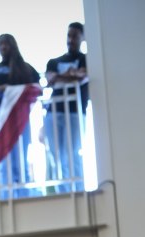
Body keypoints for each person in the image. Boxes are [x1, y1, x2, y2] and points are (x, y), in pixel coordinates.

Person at [0, 34, 41, 197]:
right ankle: (7, 197)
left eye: (6, 44)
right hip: (0, 122)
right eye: (0, 45)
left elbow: (36, 87)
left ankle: (23, 196)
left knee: (21, 159)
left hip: (20, 120)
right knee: (4, 161)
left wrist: (11, 89)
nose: (3, 47)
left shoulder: (25, 68)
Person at [44, 22, 88, 192]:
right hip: (55, 111)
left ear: (82, 38)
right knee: (57, 155)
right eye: (69, 36)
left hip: (75, 112)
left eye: (75, 36)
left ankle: (78, 190)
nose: (71, 40)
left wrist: (65, 77)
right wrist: (70, 75)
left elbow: (83, 76)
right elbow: (50, 79)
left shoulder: (86, 59)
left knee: (73, 153)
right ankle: (63, 191)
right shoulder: (54, 61)